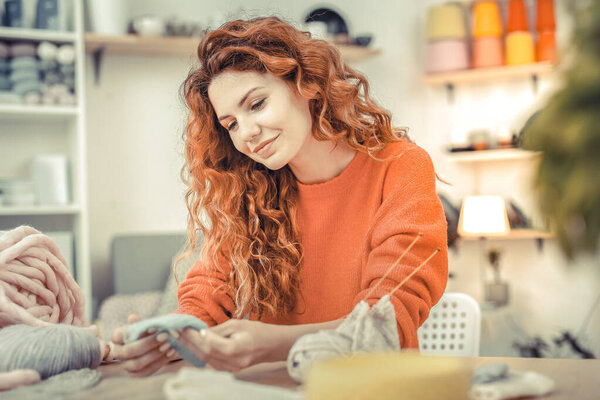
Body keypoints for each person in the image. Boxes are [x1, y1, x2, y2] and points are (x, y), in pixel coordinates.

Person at [111, 16, 448, 376]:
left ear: (305, 83)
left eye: (256, 104)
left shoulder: (399, 167)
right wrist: (167, 338)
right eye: (231, 124)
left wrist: (273, 344)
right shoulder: (250, 192)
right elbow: (206, 293)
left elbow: (386, 320)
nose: (247, 135)